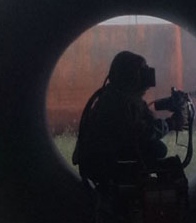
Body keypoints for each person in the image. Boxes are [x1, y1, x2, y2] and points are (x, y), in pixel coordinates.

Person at [73, 51, 186, 186]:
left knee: (157, 149)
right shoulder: (116, 102)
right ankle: (132, 183)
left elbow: (145, 123)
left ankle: (138, 180)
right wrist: (171, 123)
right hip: (101, 163)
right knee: (157, 149)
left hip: (104, 157)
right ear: (130, 76)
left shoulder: (119, 96)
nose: (147, 76)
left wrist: (170, 110)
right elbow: (141, 133)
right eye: (142, 71)